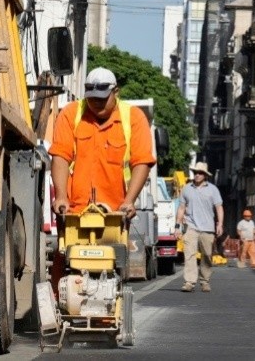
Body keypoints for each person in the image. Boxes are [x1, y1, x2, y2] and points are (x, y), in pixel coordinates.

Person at [49, 67, 156, 220]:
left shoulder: (134, 118)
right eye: (92, 98)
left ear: (116, 92)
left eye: (102, 99)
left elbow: (142, 161)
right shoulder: (71, 114)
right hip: (74, 213)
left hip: (116, 213)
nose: (97, 103)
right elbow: (60, 156)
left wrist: (129, 201)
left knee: (115, 246)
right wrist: (60, 197)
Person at [174, 162, 224, 292]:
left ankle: (205, 281)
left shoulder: (213, 189)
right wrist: (177, 227)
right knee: (189, 254)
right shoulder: (186, 188)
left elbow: (219, 208)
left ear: (205, 175)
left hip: (208, 228)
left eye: (200, 173)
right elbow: (181, 208)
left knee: (207, 255)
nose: (197, 175)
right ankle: (189, 282)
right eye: (195, 172)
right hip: (191, 226)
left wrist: (220, 224)